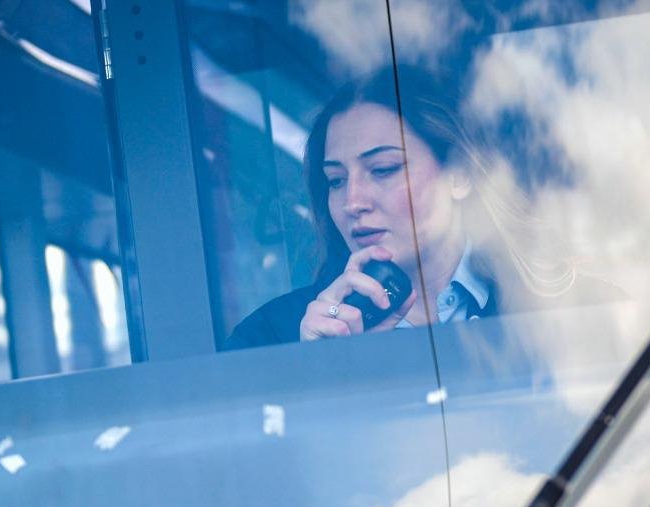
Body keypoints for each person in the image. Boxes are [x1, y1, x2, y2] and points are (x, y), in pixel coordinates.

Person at [226, 67, 609, 349]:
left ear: (459, 174)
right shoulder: (272, 339)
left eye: (384, 169)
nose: (353, 202)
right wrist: (319, 370)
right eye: (336, 180)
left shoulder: (579, 310)